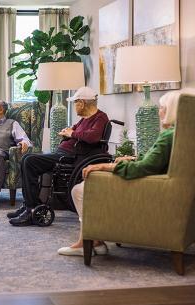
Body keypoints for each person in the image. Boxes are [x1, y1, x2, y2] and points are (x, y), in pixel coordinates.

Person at [57, 88, 189, 257]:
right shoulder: (179, 135)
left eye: (162, 108)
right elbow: (157, 162)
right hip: (160, 186)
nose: (159, 111)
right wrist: (133, 158)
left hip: (148, 188)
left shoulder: (168, 136)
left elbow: (144, 168)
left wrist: (105, 167)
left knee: (80, 190)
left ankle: (89, 241)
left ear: (172, 111)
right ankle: (95, 240)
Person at [8, 86, 109, 226]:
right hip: (64, 153)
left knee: (29, 160)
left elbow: (93, 137)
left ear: (82, 103)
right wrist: (69, 131)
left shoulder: (100, 117)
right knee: (27, 158)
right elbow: (75, 130)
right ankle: (29, 205)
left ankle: (31, 210)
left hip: (72, 157)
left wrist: (71, 134)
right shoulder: (84, 119)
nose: (75, 106)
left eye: (75, 103)